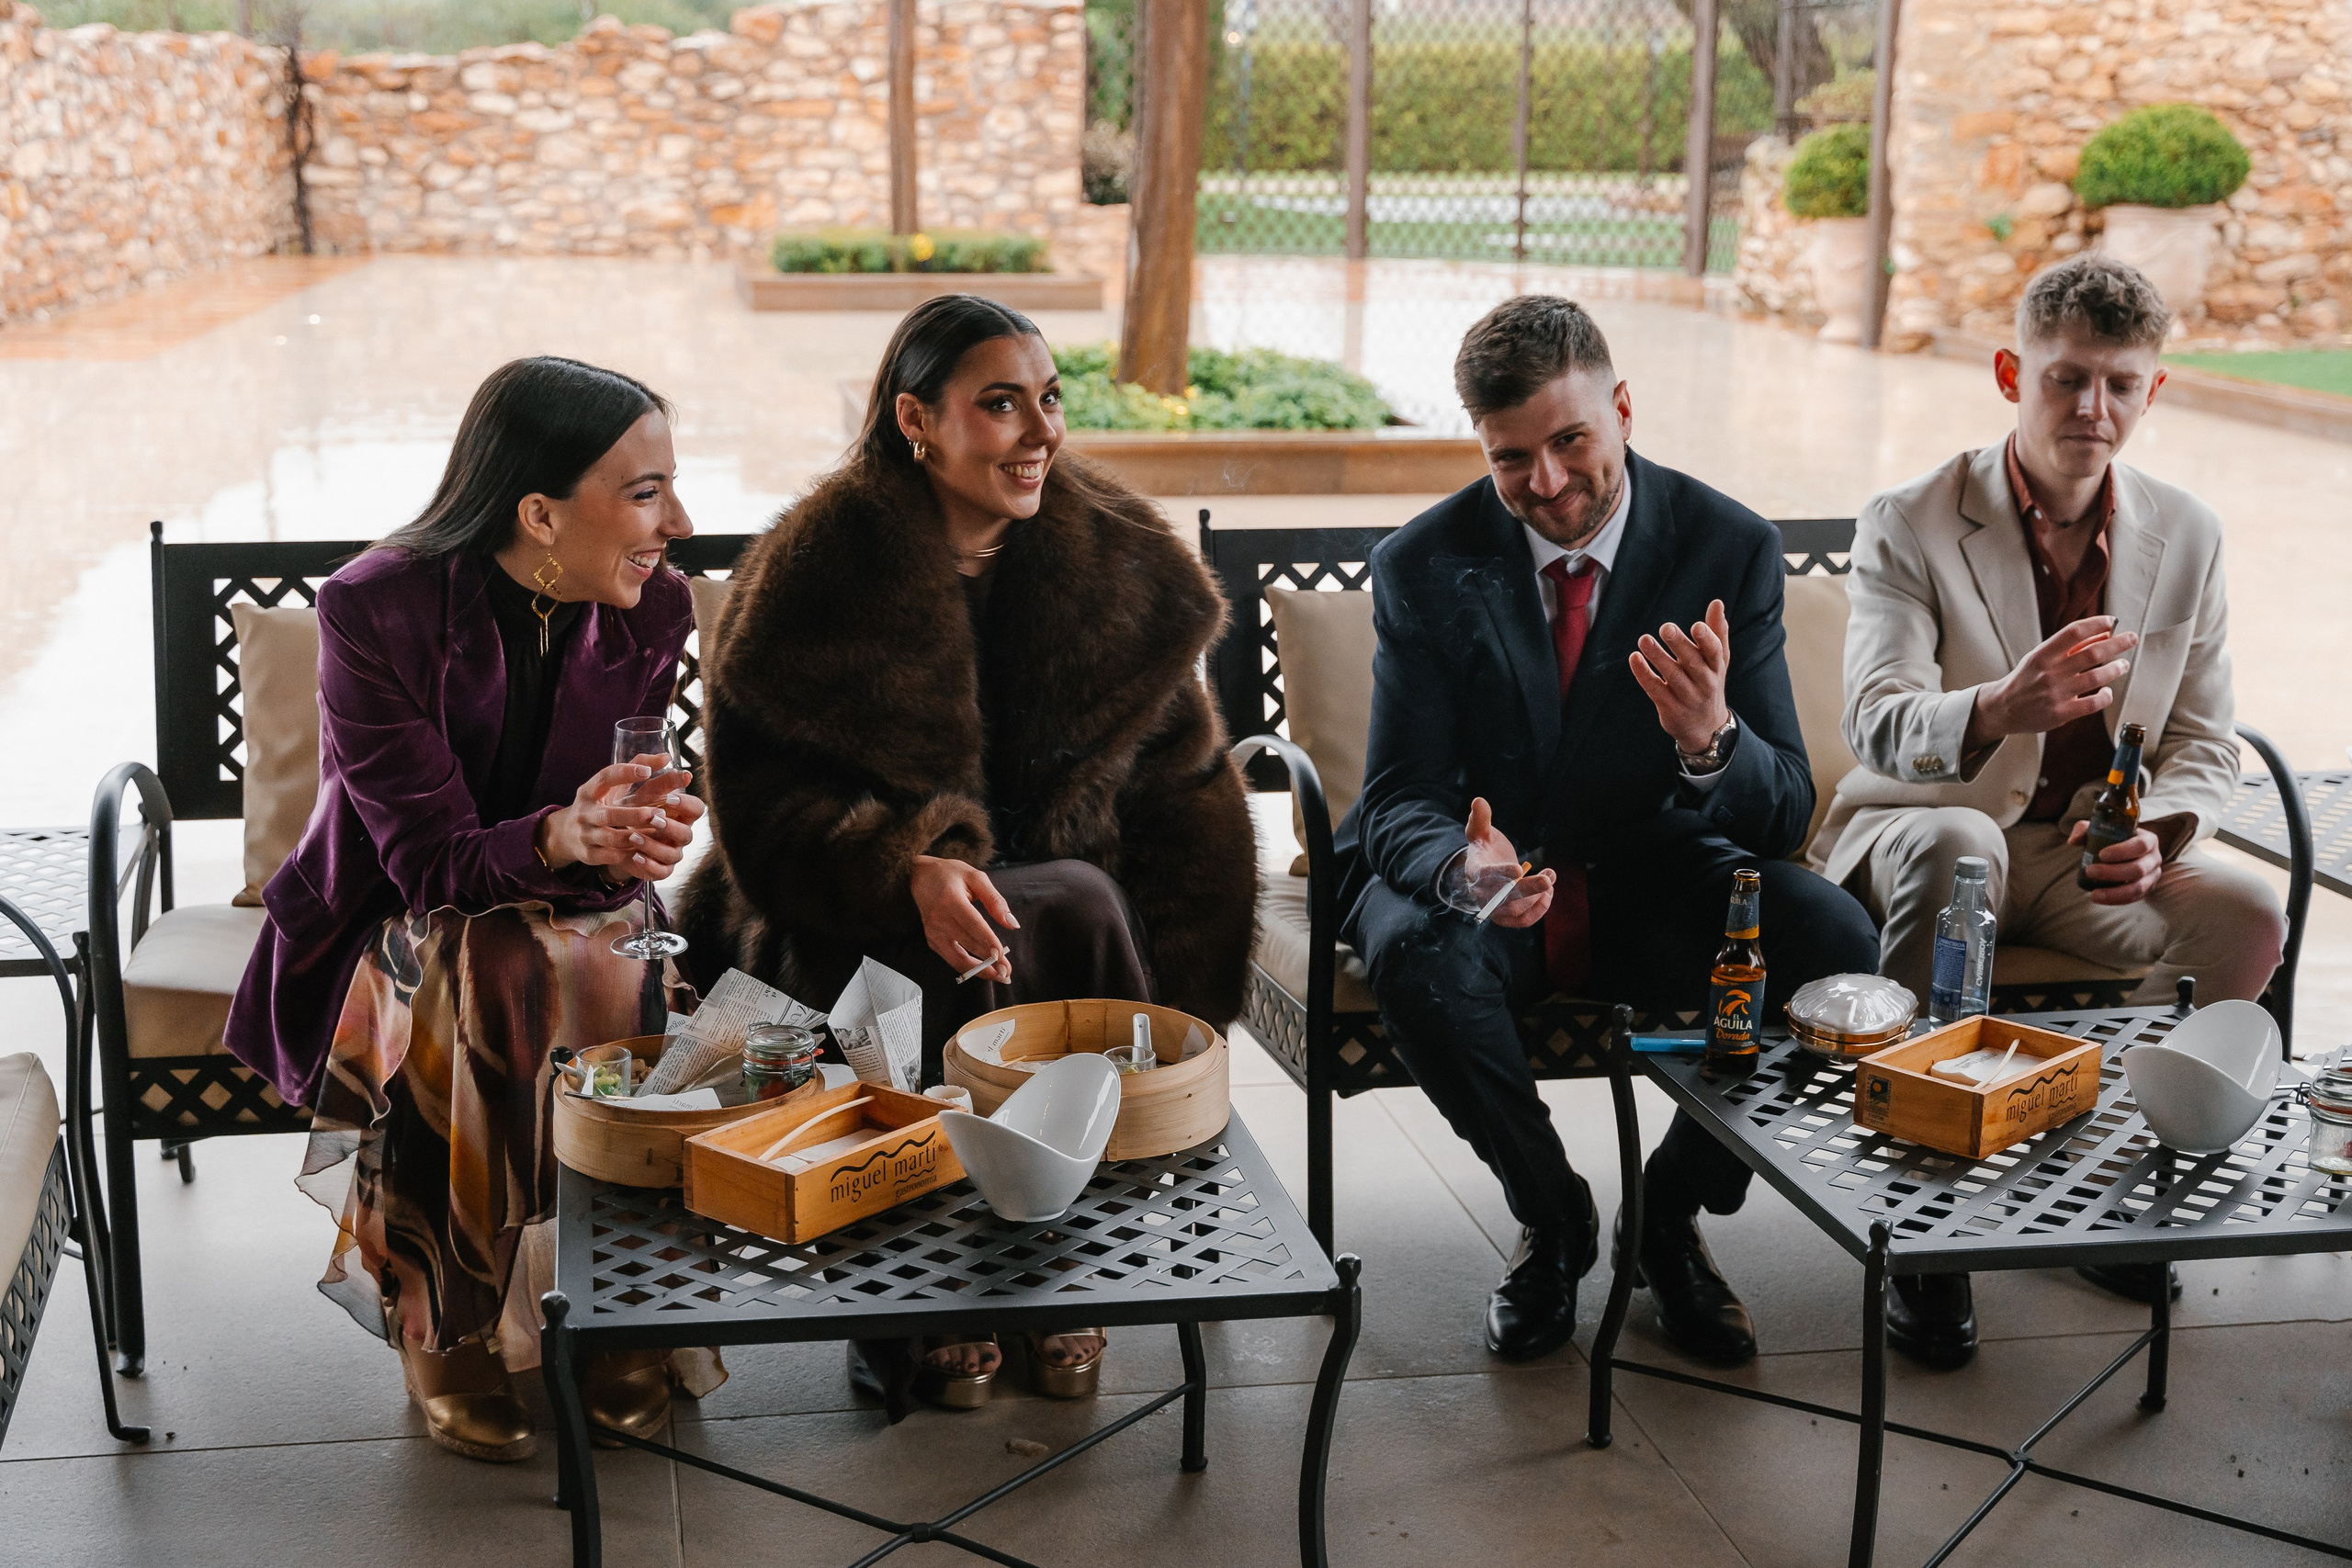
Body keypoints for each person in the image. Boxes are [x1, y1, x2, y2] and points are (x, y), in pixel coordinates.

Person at [678, 294, 1257, 1416]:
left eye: (1049, 400)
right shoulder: (809, 579)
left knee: (1074, 907)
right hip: (839, 930)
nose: (1040, 433)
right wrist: (906, 865)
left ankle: (1049, 1269)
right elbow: (758, 820)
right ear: (915, 418)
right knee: (1002, 922)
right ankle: (935, 1296)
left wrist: (1178, 990)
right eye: (999, 405)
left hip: (1071, 939)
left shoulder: (1119, 571)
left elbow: (1188, 800)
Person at [1337, 295, 1879, 1368]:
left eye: (1570, 440)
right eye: (1509, 458)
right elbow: (1396, 790)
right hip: (1488, 888)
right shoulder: (1421, 563)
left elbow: (1780, 813)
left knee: (1830, 941)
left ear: (1621, 408)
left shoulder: (1727, 544)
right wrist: (1459, 863)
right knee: (1412, 953)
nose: (1544, 482)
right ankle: (1554, 1220)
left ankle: (1668, 1213)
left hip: (1654, 870)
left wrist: (1713, 740)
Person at [223, 356, 708, 1463]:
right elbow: (427, 858)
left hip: (563, 914)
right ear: (540, 511)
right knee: (493, 965)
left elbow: (625, 804)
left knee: (606, 959)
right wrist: (560, 834)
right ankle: (446, 1320)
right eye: (645, 493)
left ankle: (619, 1293)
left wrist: (635, 832)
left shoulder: (655, 606)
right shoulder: (371, 608)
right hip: (388, 922)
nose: (677, 522)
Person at [1809, 254, 2285, 1364]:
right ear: (2008, 372)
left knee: (2248, 915)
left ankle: (2126, 1195)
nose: (2093, 408)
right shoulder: (1910, 520)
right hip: (1922, 829)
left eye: (2121, 384)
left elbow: (2206, 741)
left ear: (2153, 392)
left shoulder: (2190, 534)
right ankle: (1925, 1229)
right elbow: (1877, 722)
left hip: (2082, 856)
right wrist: (1997, 705)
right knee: (1964, 842)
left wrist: (2158, 835)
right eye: (2067, 379)